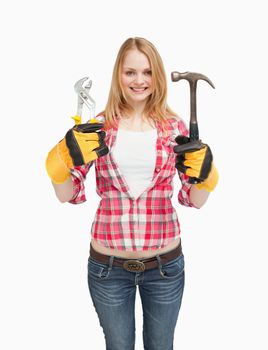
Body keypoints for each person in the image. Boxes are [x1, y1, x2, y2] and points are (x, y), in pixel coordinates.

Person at [45, 37, 219, 350]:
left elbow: (196, 199)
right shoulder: (98, 127)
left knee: (161, 346)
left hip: (165, 267)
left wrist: (207, 177)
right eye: (130, 72)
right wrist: (58, 163)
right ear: (119, 76)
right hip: (107, 269)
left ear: (158, 77)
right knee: (118, 346)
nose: (139, 80)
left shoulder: (175, 127)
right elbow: (65, 193)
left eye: (147, 72)